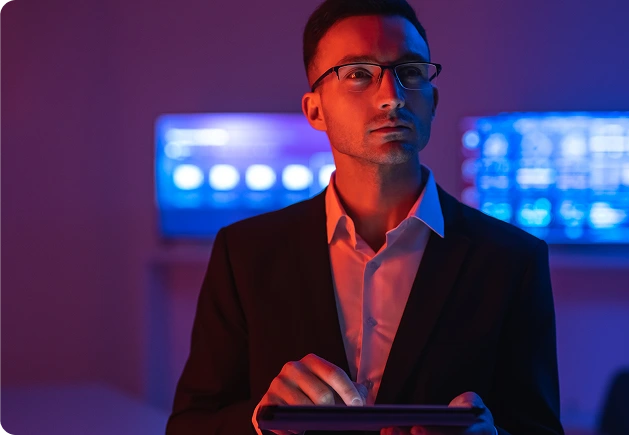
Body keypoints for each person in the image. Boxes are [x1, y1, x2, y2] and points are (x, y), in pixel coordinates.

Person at [165, 0, 563, 434]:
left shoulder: (511, 259)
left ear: (432, 99)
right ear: (315, 110)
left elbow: (538, 427)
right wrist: (262, 423)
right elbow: (190, 426)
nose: (393, 96)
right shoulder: (245, 254)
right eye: (357, 73)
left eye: (411, 72)